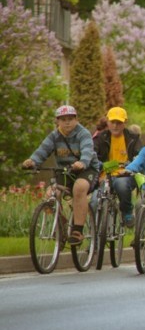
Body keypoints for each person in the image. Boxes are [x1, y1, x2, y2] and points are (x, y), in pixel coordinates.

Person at [22, 105, 102, 247]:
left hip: (86, 169)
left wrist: (82, 162)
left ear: (76, 119)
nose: (67, 122)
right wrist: (32, 161)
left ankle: (77, 230)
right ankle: (62, 225)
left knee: (79, 188)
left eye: (70, 119)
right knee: (51, 194)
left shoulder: (83, 134)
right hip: (65, 171)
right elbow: (42, 151)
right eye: (63, 119)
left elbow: (87, 150)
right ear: (57, 121)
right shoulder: (54, 136)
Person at [93, 106, 142, 227]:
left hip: (126, 175)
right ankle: (94, 231)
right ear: (107, 122)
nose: (115, 126)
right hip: (105, 177)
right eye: (112, 122)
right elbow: (92, 156)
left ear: (125, 123)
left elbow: (140, 157)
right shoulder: (100, 138)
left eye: (119, 123)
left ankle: (127, 211)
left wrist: (130, 166)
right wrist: (100, 168)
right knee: (94, 201)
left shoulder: (133, 138)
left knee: (121, 185)